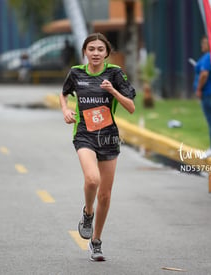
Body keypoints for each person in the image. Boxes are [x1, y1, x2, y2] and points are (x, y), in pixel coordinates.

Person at [59, 33, 136, 261]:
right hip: (84, 135)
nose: (95, 53)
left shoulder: (115, 73)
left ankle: (96, 241)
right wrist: (65, 109)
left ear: (106, 53)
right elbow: (63, 93)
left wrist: (113, 91)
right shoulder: (76, 73)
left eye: (100, 49)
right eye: (91, 49)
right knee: (92, 180)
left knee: (105, 194)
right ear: (85, 51)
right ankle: (87, 213)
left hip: (109, 138)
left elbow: (131, 107)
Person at [193, 35, 211, 158]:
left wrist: (199, 89)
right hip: (209, 93)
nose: (202, 45)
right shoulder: (208, 57)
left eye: (204, 43)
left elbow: (204, 74)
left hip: (208, 93)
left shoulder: (209, 57)